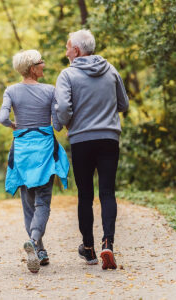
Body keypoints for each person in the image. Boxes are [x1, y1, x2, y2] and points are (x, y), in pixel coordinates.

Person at [55, 30, 129, 270]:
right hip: (109, 138)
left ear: (76, 51)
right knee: (107, 192)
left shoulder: (67, 75)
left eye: (68, 47)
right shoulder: (111, 70)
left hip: (82, 141)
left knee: (85, 195)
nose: (66, 52)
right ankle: (108, 242)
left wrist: (66, 124)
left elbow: (64, 107)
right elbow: (123, 104)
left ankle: (88, 249)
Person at [0, 50, 69, 273]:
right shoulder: (50, 91)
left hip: (22, 151)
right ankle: (36, 239)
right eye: (40, 62)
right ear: (32, 68)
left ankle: (39, 249)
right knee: (43, 201)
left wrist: (13, 125)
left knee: (28, 203)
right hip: (44, 150)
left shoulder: (11, 91)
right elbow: (57, 125)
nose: (44, 65)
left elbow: (2, 118)